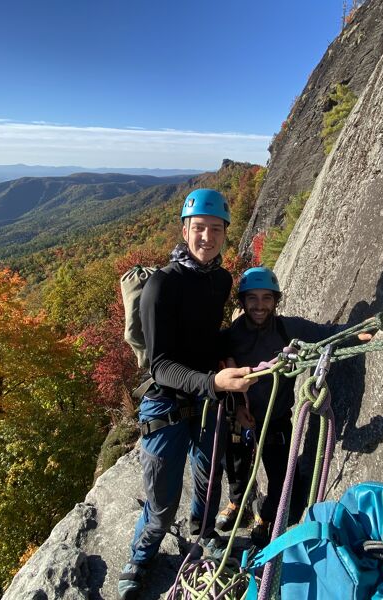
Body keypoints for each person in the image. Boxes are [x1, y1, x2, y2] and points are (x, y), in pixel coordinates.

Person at [118, 189, 253, 600]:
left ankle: (203, 534)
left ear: (226, 234)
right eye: (199, 229)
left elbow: (207, 337)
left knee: (208, 480)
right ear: (184, 230)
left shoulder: (221, 279)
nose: (207, 238)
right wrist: (213, 383)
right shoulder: (163, 285)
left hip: (205, 397)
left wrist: (225, 359)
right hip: (166, 400)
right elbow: (160, 364)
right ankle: (141, 556)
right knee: (161, 506)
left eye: (216, 229)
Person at [217, 267, 371, 546]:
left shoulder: (289, 329)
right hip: (243, 415)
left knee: (279, 474)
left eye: (267, 298)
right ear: (242, 301)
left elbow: (327, 334)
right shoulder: (231, 336)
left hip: (276, 418)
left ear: (276, 300)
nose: (260, 305)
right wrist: (238, 406)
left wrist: (357, 332)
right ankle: (237, 502)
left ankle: (264, 516)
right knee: (236, 465)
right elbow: (222, 366)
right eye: (252, 298)